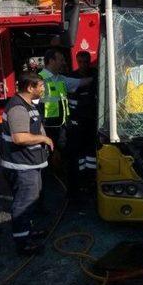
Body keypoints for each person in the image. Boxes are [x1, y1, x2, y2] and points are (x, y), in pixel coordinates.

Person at [0, 71, 53, 255]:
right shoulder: (18, 108)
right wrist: (44, 140)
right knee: (24, 203)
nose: (43, 88)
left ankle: (28, 232)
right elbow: (20, 137)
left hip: (31, 164)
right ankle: (23, 243)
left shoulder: (29, 104)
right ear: (30, 87)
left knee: (32, 199)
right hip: (21, 166)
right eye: (40, 86)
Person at [65, 51, 97, 199]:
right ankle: (81, 180)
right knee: (78, 152)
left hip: (93, 120)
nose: (83, 65)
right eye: (81, 62)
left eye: (86, 62)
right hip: (77, 120)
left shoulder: (96, 74)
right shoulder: (72, 77)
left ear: (89, 61)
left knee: (91, 151)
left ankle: (92, 180)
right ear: (77, 62)